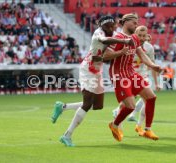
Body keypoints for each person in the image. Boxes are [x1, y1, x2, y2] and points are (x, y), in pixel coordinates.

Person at [51, 16, 133, 147]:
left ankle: (62, 107)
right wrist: (124, 43)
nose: (111, 28)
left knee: (98, 105)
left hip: (97, 70)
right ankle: (67, 135)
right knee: (87, 104)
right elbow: (103, 40)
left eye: (112, 26)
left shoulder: (112, 35)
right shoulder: (99, 33)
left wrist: (121, 52)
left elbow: (105, 58)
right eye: (108, 26)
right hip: (88, 69)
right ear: (102, 26)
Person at [103, 14, 162, 142]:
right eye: (134, 22)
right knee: (130, 106)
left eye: (137, 22)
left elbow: (142, 55)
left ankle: (147, 130)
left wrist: (153, 65)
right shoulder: (117, 37)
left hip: (131, 73)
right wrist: (120, 52)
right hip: (119, 74)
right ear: (125, 22)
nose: (136, 25)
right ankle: (114, 124)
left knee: (151, 97)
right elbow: (105, 55)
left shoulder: (134, 39)